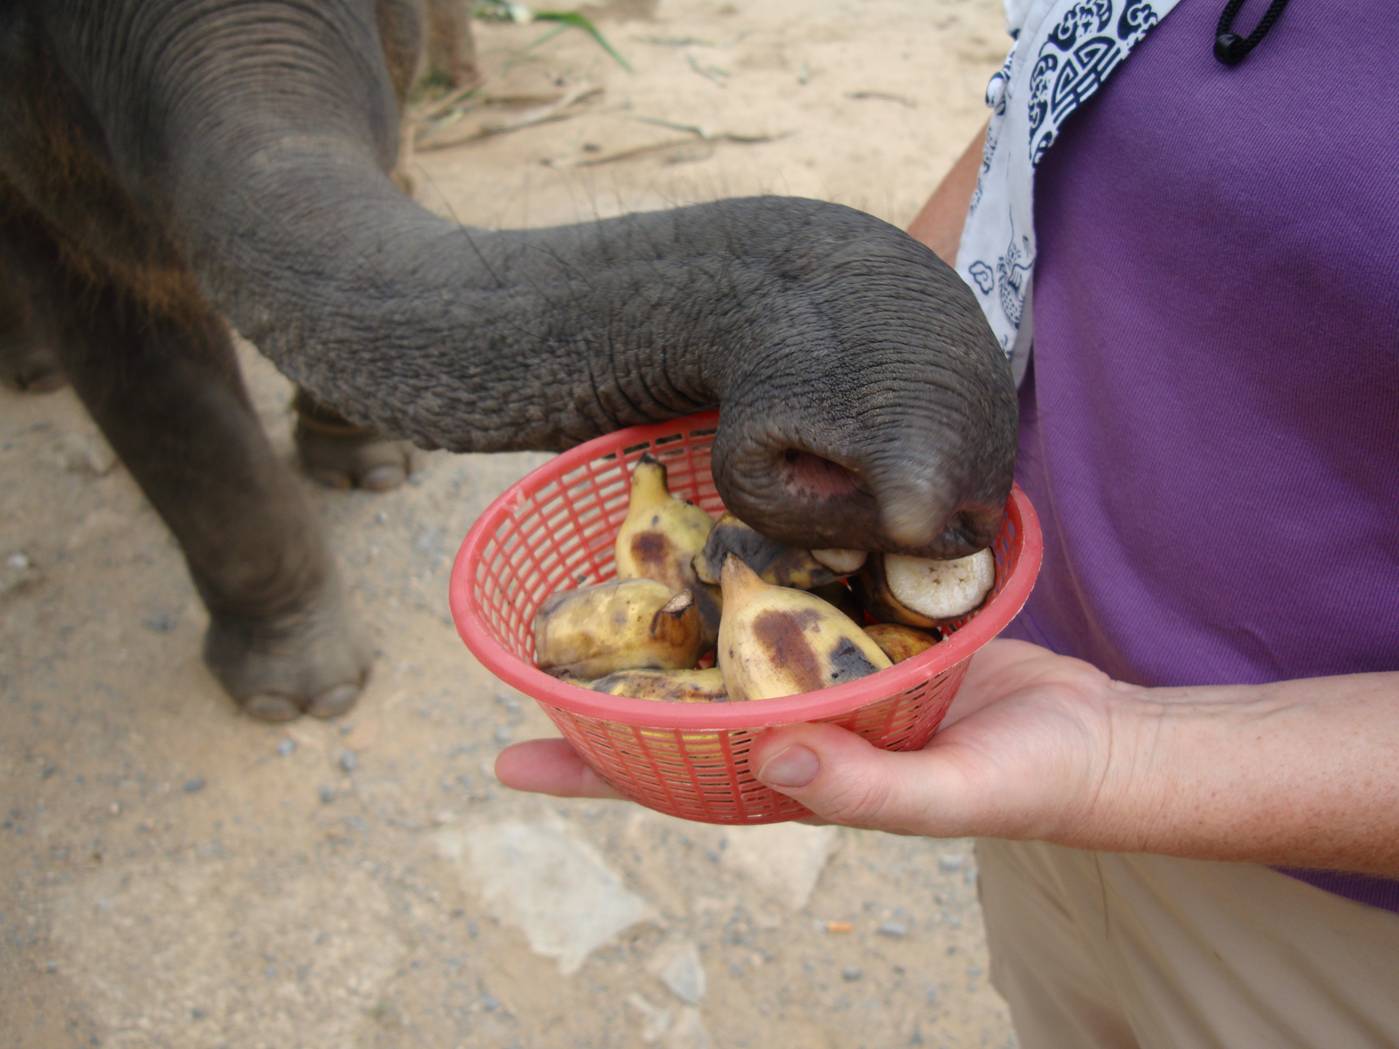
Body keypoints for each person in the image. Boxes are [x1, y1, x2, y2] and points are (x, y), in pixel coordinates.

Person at [497, 1, 1399, 1044]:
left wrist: (1132, 757)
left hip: (1332, 906)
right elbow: (1042, 126)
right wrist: (859, 379)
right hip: (1014, 699)